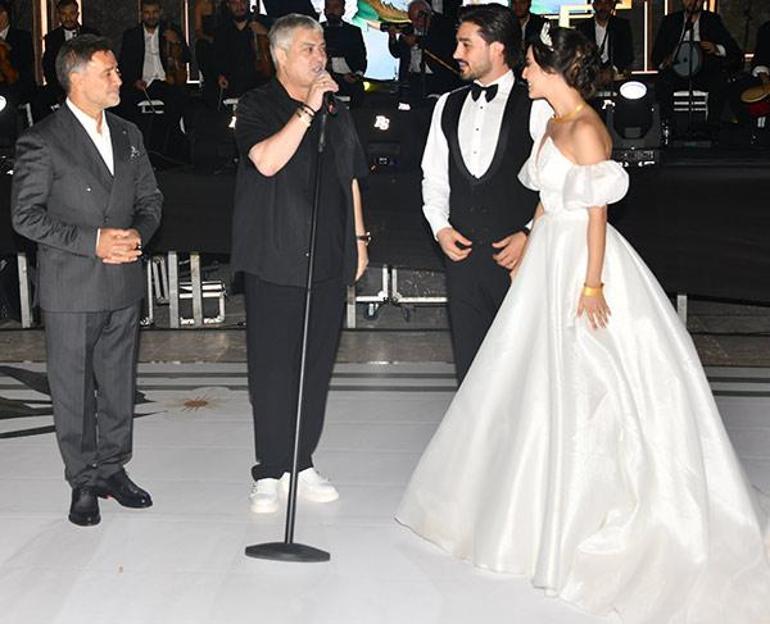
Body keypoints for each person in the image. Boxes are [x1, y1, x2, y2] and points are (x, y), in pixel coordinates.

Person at [397, 25, 770, 623]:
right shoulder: (551, 122)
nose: (523, 73)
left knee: (592, 375)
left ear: (553, 69)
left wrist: (592, 284)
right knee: (530, 376)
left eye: (530, 65)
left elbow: (597, 216)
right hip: (549, 253)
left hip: (583, 260)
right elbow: (546, 196)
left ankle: (592, 507)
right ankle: (525, 501)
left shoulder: (590, 129)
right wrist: (532, 247)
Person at [11, 35, 163, 527]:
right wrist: (93, 242)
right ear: (76, 79)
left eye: (116, 70)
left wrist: (137, 235)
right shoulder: (42, 139)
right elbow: (25, 217)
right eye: (108, 72)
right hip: (71, 285)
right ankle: (82, 480)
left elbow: (151, 199)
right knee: (73, 390)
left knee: (118, 384)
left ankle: (113, 468)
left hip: (123, 280)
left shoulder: (129, 133)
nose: (119, 78)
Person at [232, 14, 369, 514]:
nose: (321, 56)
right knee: (273, 367)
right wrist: (308, 109)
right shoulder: (256, 104)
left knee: (315, 364)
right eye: (310, 48)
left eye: (322, 48)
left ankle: (301, 460)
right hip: (274, 254)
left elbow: (350, 175)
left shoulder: (337, 108)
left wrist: (360, 239)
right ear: (281, 55)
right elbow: (267, 161)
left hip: (328, 252)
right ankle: (270, 469)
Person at [421, 3, 547, 382]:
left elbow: (557, 183)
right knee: (470, 369)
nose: (456, 53)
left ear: (497, 48)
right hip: (461, 262)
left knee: (522, 371)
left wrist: (529, 234)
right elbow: (434, 176)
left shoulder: (537, 105)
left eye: (466, 44)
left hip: (519, 262)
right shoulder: (445, 105)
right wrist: (440, 227)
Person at [652, 0, 741, 133]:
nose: (692, 2)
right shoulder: (670, 21)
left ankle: (712, 129)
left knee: (720, 81)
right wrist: (666, 61)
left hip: (705, 71)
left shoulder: (712, 20)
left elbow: (733, 50)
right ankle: (668, 129)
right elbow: (656, 56)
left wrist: (716, 48)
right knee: (662, 82)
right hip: (677, 71)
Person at [117, 0, 191, 132]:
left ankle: (169, 135)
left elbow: (187, 57)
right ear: (141, 14)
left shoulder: (171, 30)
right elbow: (124, 64)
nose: (151, 16)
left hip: (167, 82)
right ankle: (138, 135)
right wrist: (135, 81)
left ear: (160, 12)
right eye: (147, 12)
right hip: (142, 84)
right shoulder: (131, 35)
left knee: (180, 96)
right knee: (124, 101)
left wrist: (177, 41)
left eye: (155, 12)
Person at [387, 0, 460, 102]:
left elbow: (443, 47)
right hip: (413, 79)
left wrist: (418, 40)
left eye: (417, 19)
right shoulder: (408, 29)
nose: (415, 24)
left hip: (435, 79)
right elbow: (397, 52)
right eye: (412, 20)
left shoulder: (443, 26)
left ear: (427, 15)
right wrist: (392, 37)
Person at [211, 0, 271, 106]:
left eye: (242, 2)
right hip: (233, 83)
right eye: (234, 3)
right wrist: (220, 75)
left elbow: (281, 45)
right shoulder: (222, 29)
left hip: (260, 81)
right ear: (228, 5)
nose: (239, 6)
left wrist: (266, 33)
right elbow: (217, 57)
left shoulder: (263, 21)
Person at [42, 0, 100, 102]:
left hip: (89, 85)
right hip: (61, 89)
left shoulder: (91, 35)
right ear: (58, 15)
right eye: (64, 14)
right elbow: (49, 66)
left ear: (77, 14)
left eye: (72, 13)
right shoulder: (52, 38)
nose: (68, 18)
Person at [0, 0, 35, 144]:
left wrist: (5, 50)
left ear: (4, 15)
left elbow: (25, 65)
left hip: (16, 86)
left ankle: (8, 142)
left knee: (7, 99)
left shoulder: (22, 37)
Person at [576, 0, 633, 85]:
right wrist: (594, 73)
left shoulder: (622, 26)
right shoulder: (583, 28)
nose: (603, 7)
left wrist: (613, 70)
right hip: (590, 79)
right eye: (599, 3)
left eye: (607, 3)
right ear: (594, 6)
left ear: (612, 5)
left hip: (616, 78)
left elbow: (628, 54)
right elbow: (580, 55)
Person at [323, 0, 367, 108]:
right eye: (328, 7)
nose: (331, 10)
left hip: (349, 82)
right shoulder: (316, 30)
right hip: (322, 80)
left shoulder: (353, 31)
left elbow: (361, 57)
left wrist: (357, 75)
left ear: (343, 10)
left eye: (336, 7)